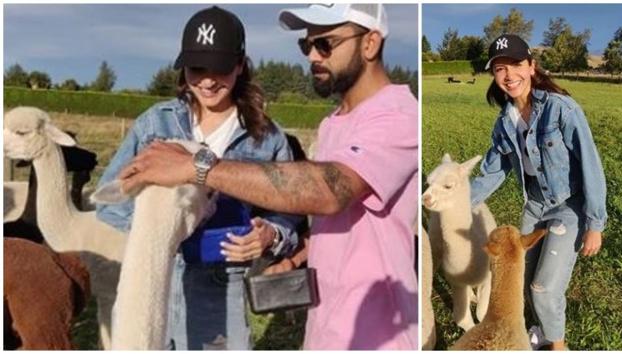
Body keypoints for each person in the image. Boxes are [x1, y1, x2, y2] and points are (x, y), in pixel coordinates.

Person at [117, 3, 418, 350]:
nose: (312, 57)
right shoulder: (334, 123)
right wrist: (288, 255)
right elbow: (342, 226)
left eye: (326, 44)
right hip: (327, 328)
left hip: (377, 335)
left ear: (371, 43)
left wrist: (197, 167)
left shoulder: (398, 117)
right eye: (307, 45)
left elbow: (330, 190)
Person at [95, 6, 303, 350]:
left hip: (222, 286)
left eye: (219, 68)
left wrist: (271, 234)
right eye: (196, 68)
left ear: (239, 65)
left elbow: (289, 210)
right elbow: (111, 203)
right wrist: (163, 230)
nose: (207, 80)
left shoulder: (267, 139)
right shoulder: (154, 125)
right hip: (151, 280)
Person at [470, 34, 607, 351]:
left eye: (516, 65)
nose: (509, 75)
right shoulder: (505, 122)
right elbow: (493, 171)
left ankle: (558, 346)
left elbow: (591, 165)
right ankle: (541, 330)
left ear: (531, 66)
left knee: (543, 288)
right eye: (500, 68)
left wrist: (594, 224)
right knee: (522, 279)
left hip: (568, 207)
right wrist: (458, 206)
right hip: (535, 206)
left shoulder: (561, 110)